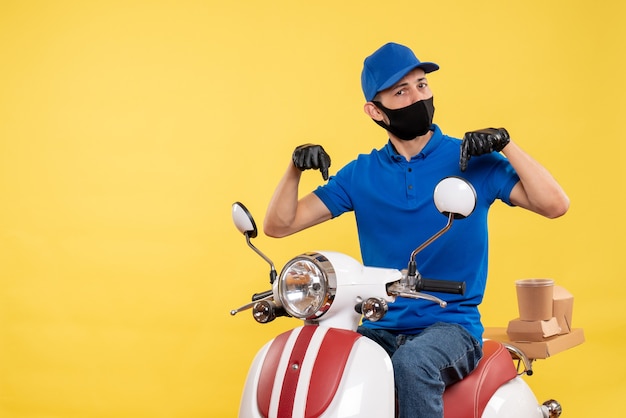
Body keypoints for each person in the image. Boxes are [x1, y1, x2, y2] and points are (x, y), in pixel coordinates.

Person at [263, 42, 569, 418]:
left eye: (422, 85)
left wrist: (507, 145)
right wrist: (294, 167)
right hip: (380, 322)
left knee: (414, 365)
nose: (417, 97)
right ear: (375, 111)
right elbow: (280, 225)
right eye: (401, 91)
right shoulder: (362, 174)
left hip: (452, 326)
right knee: (327, 360)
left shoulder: (471, 160)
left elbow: (555, 205)